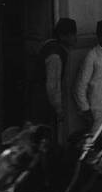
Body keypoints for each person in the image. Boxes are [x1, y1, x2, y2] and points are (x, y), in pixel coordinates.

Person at [31, 17, 78, 145]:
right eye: (72, 35)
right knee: (43, 138)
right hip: (43, 102)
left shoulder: (50, 45)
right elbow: (53, 86)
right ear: (63, 36)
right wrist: (58, 109)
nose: (75, 38)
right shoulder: (55, 55)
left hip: (39, 99)